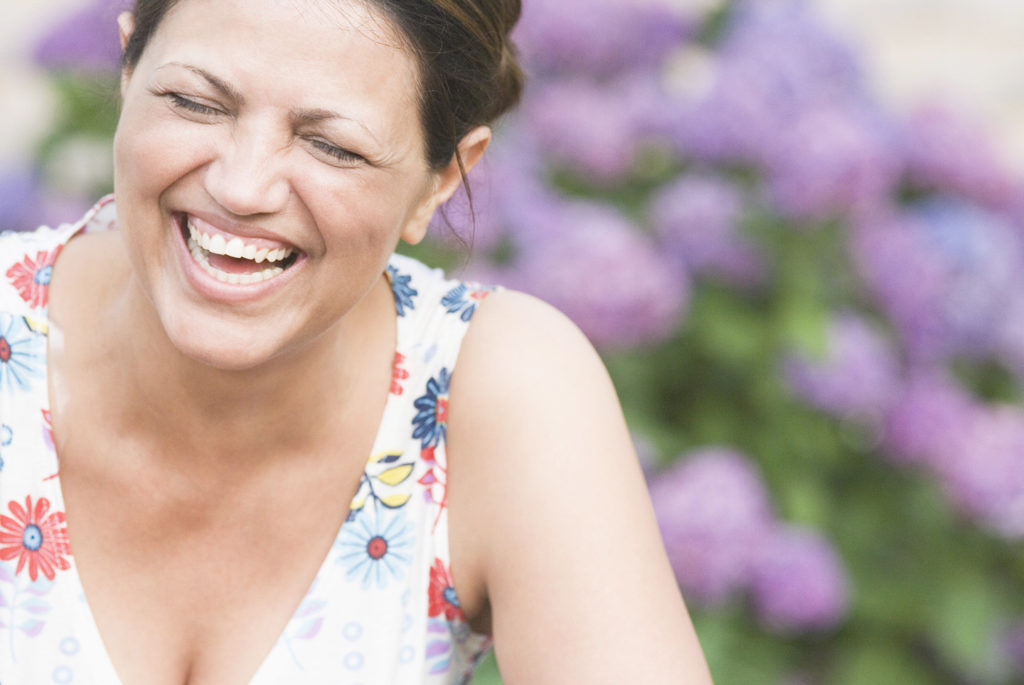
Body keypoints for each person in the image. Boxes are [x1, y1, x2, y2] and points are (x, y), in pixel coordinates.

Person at [0, 0, 714, 682]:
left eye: (332, 145)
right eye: (195, 102)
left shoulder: (496, 389)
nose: (242, 185)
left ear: (441, 182)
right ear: (128, 70)